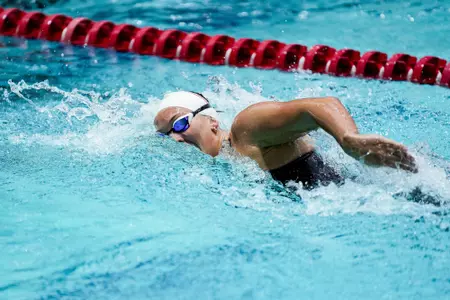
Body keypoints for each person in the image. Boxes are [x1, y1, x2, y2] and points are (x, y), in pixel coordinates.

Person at [154, 91, 418, 189]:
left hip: (404, 193)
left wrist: (349, 140)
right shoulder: (222, 161)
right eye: (165, 134)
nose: (175, 138)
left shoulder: (245, 130)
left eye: (179, 123)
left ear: (212, 121)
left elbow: (318, 105)